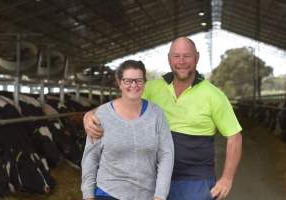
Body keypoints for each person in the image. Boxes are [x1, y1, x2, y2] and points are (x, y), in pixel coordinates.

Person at [83, 37, 242, 200]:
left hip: (194, 181)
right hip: (152, 179)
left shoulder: (214, 95)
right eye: (176, 56)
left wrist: (227, 179)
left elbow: (234, 136)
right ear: (169, 59)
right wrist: (91, 114)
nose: (181, 61)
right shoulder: (153, 88)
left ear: (197, 57)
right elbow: (123, 103)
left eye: (187, 56)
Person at [81, 60, 174, 200]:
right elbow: (90, 157)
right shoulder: (102, 115)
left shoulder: (156, 114)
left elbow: (166, 155)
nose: (134, 85)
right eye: (128, 81)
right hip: (107, 193)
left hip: (146, 194)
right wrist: (88, 195)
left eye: (139, 80)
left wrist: (160, 195)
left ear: (144, 83)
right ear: (119, 82)